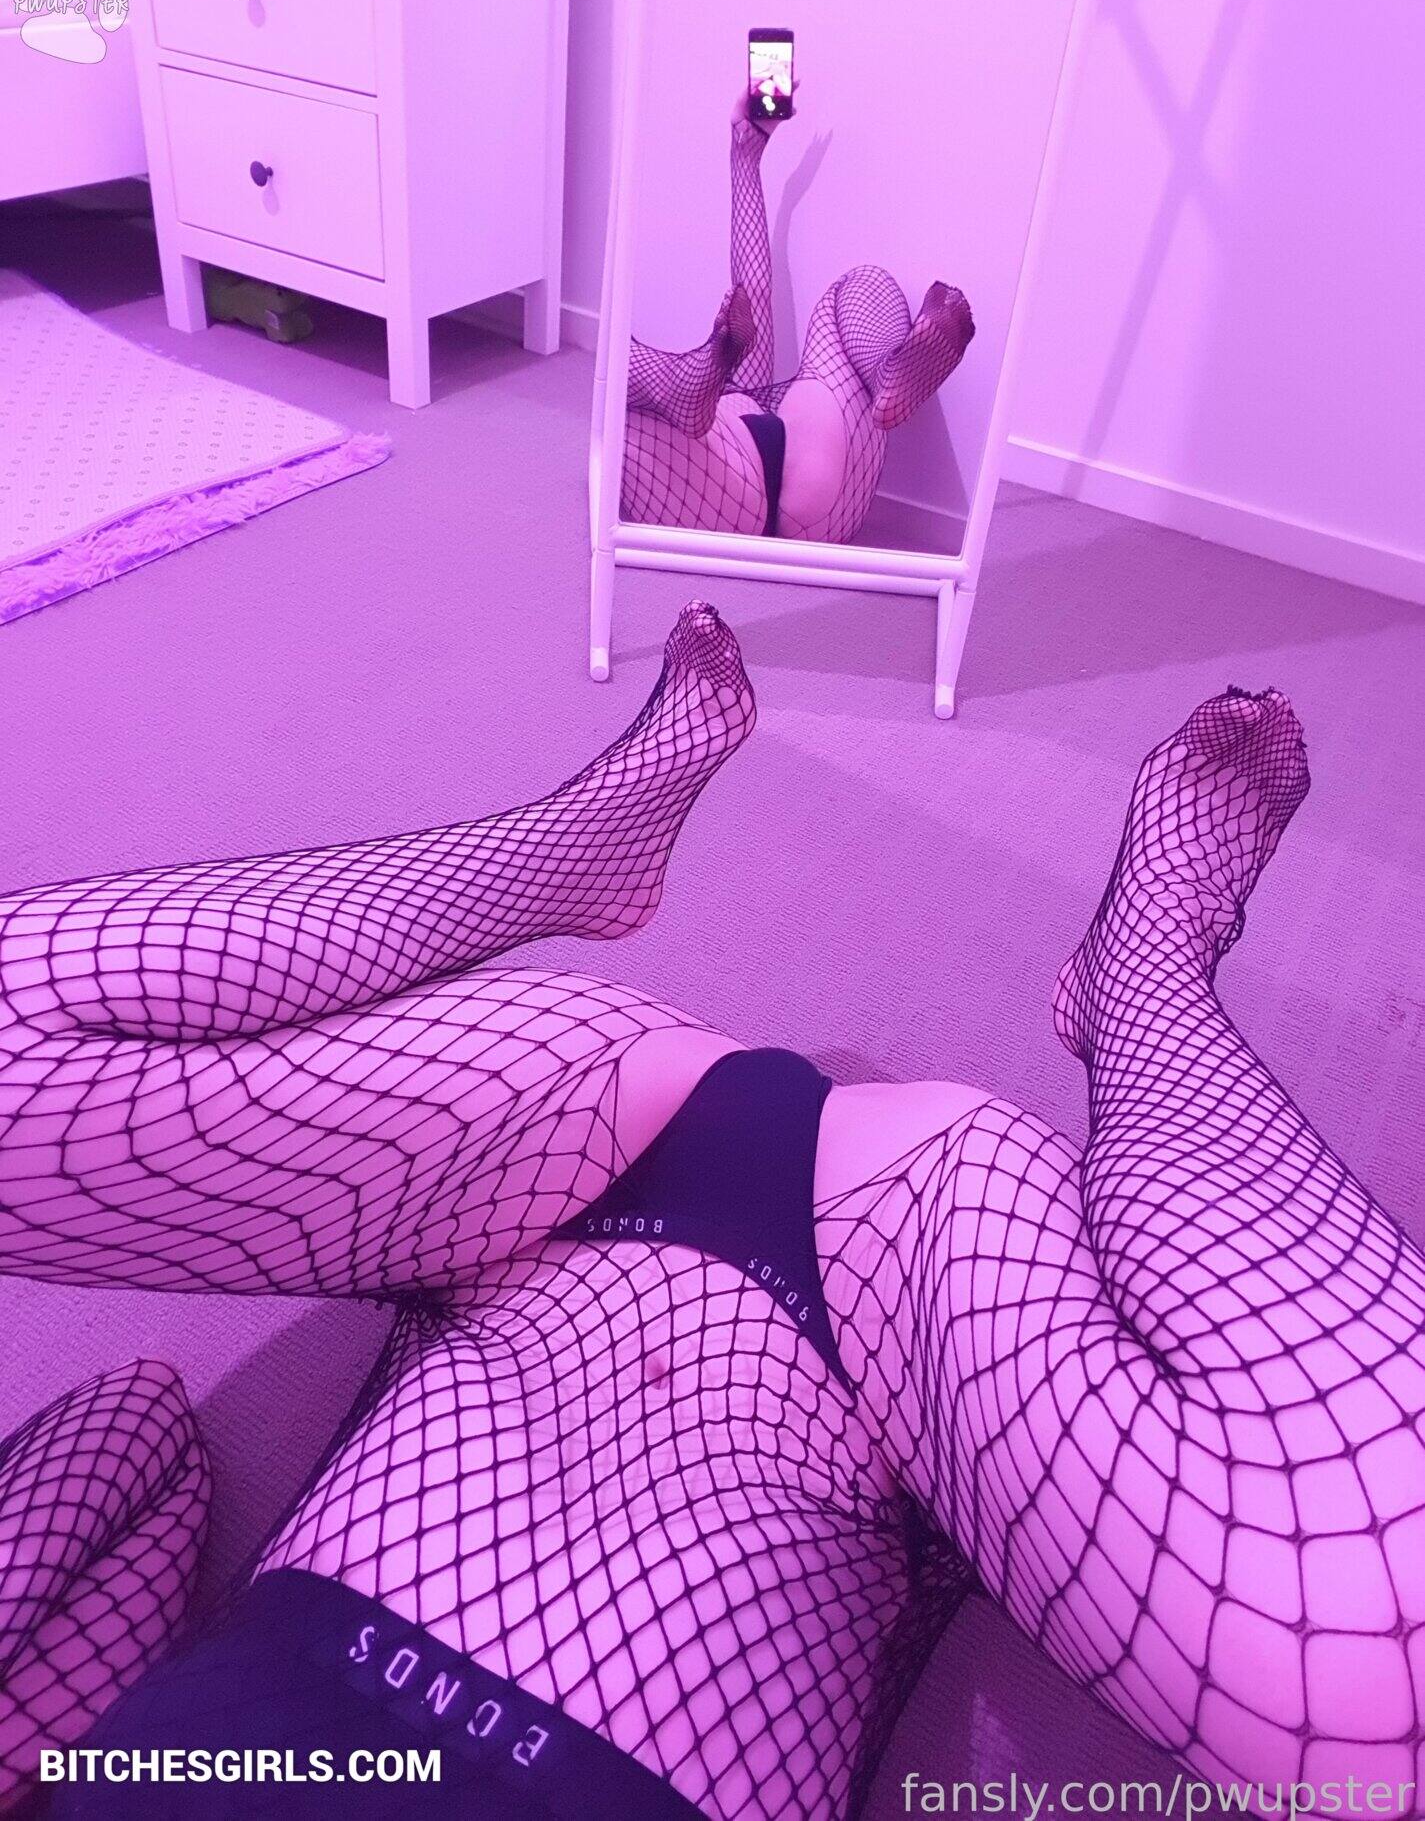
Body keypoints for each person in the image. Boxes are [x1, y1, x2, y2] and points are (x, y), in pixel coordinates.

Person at [0, 606, 1421, 1818]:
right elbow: (134, 1443)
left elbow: (129, 1438)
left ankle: (562, 850)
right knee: (1374, 1664)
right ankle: (1144, 978)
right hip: (885, 1317)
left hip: (533, 1204)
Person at [622, 91, 976, 544]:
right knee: (864, 285)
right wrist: (745, 161)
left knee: (614, 377)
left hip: (720, 498)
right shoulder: (743, 393)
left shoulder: (739, 392)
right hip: (830, 501)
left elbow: (753, 292)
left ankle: (887, 372)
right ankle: (881, 369)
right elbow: (754, 287)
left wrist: (747, 157)